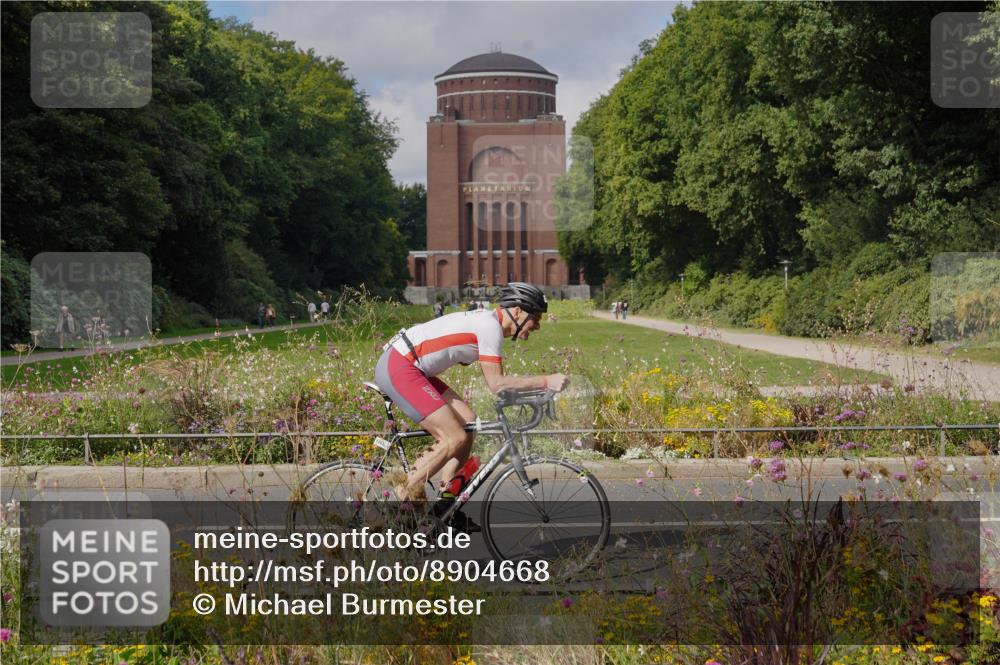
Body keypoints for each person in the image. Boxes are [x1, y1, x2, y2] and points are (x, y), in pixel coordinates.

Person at [375, 282, 568, 531]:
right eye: (536, 318)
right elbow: (497, 384)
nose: (538, 325)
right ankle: (402, 494)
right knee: (453, 436)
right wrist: (546, 381)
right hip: (401, 365)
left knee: (468, 425)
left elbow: (498, 384)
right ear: (518, 311)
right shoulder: (490, 327)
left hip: (413, 367)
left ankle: (446, 507)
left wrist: (532, 393)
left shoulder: (489, 323)